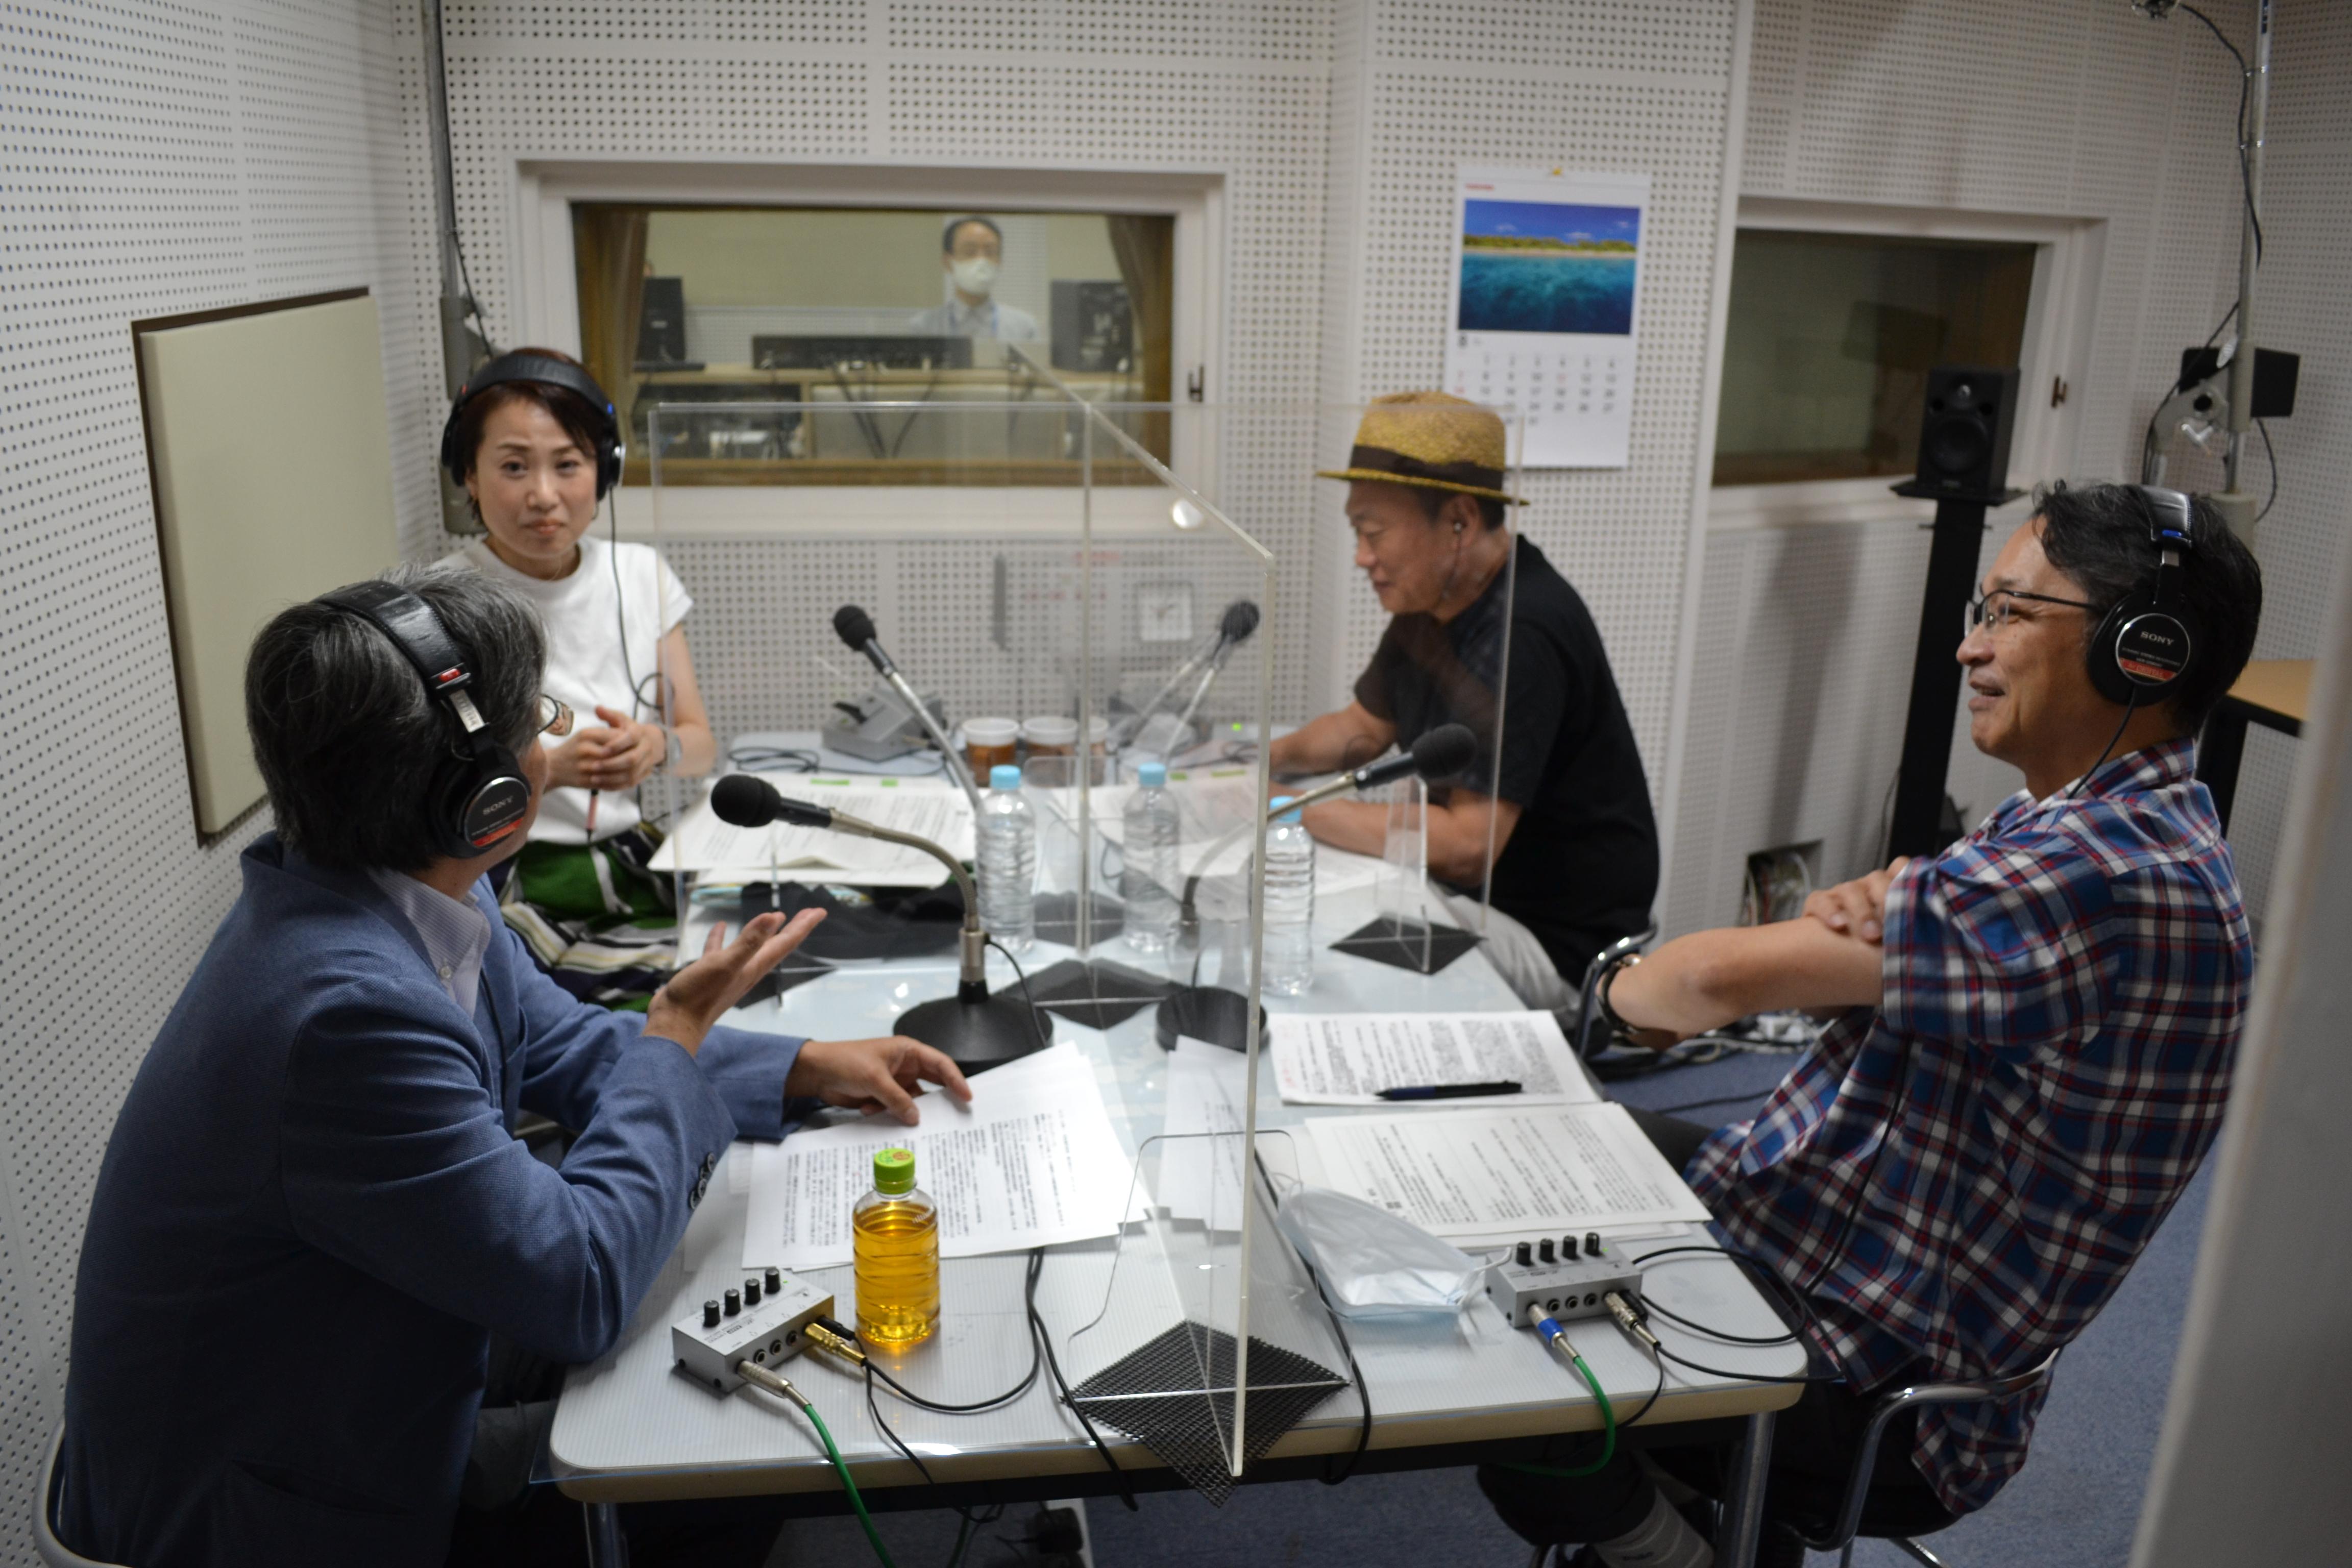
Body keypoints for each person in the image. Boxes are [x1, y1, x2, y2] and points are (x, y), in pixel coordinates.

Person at [56, 566, 970, 1568]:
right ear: (480, 793)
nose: (546, 745)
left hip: (369, 1373)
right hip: (290, 1510)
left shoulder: (396, 883)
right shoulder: (344, 1016)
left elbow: (557, 1042)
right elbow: (580, 1284)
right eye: (534, 721)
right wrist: (672, 1037)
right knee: (729, 1451)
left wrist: (799, 1067)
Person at [1476, 483, 2262, 1567]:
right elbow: (1835, 961)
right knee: (1541, 1157)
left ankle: (1684, 1553)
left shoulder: (2106, 876)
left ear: (2143, 652)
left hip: (1874, 1373)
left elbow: (1703, 984)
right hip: (1846, 1238)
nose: (1969, 646)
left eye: (2009, 612)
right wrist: (1860, 922)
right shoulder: (2109, 820)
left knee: (1501, 1366)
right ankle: (1698, 1510)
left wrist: (1611, 995)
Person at [1271, 390, 1658, 1009]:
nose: (1362, 557)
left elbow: (1466, 849)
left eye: (1373, 533)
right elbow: (1362, 727)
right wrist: (1254, 762)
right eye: (1357, 533)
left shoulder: (1523, 633)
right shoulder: (1434, 601)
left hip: (1554, 942)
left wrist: (1283, 808)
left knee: (1318, 935)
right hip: (1474, 900)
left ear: (1459, 522)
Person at [442, 348, 711, 1006]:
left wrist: (656, 748)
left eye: (568, 465)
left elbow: (700, 745)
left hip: (629, 858)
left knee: (742, 968)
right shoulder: (442, 602)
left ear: (605, 470)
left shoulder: (641, 574)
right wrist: (551, 772)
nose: (544, 495)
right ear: (469, 476)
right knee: (649, 1011)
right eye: (514, 467)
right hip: (505, 875)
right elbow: (430, 793)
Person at [907, 214, 1040, 341]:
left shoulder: (1024, 328)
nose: (981, 261)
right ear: (948, 262)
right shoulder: (923, 327)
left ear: (1000, 261)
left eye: (990, 252)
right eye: (969, 252)